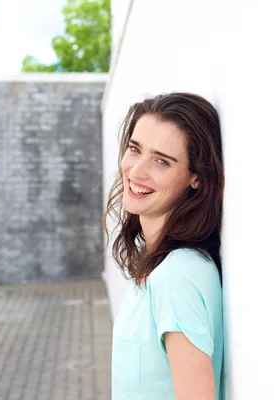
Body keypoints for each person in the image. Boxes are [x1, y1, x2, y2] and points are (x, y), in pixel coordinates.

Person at [104, 93, 224, 399]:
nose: (137, 170)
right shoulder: (161, 264)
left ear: (195, 177)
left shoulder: (176, 276)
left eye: (161, 160)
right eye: (135, 149)